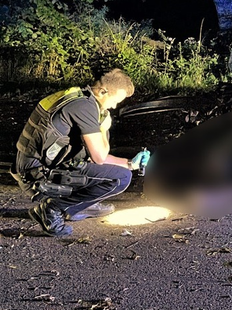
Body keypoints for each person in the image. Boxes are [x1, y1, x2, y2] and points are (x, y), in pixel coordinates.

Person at [12, 69, 149, 237]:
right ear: (102, 91)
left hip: (33, 167)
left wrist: (130, 163)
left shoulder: (79, 97)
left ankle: (83, 204)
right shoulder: (84, 107)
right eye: (114, 101)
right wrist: (105, 127)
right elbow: (99, 157)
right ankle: (51, 209)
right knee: (121, 178)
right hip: (37, 176)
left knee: (119, 170)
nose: (114, 107)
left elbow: (92, 156)